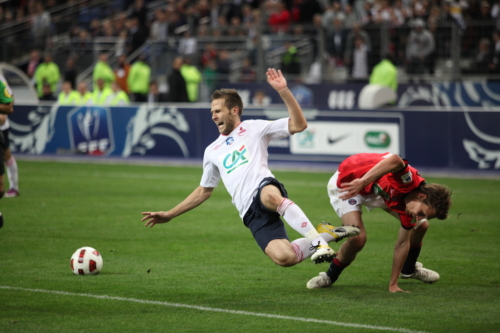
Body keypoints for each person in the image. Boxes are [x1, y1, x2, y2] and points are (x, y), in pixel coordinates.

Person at [141, 69, 360, 273]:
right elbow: (203, 191)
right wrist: (170, 214)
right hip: (249, 213)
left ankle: (318, 243)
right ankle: (327, 234)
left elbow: (299, 125)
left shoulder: (255, 128)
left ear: (234, 110)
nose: (213, 116)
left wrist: (283, 90)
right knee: (285, 258)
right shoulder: (212, 151)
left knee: (271, 196)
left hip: (264, 188)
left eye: (218, 111)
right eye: (212, 112)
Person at [306, 153, 452, 292]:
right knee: (357, 239)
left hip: (378, 191)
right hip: (350, 184)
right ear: (421, 196)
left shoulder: (411, 206)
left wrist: (393, 284)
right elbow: (395, 160)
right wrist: (363, 181)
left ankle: (408, 270)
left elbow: (402, 243)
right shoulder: (407, 181)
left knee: (421, 226)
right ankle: (329, 276)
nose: (419, 216)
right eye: (422, 213)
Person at [0, 77, 15, 227]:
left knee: (0, 188)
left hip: (1, 132)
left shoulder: (1, 81)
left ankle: (14, 187)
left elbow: (8, 108)